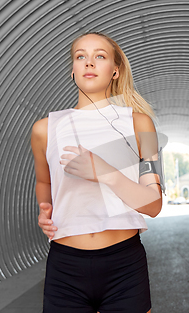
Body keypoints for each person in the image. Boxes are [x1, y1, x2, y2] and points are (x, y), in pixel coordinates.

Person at [30, 32, 163, 313]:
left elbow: (153, 204)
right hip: (65, 266)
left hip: (124, 264)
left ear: (115, 70)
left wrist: (106, 173)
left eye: (99, 56)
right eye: (81, 57)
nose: (89, 62)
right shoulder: (45, 128)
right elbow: (44, 181)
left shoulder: (141, 124)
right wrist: (46, 212)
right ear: (73, 70)